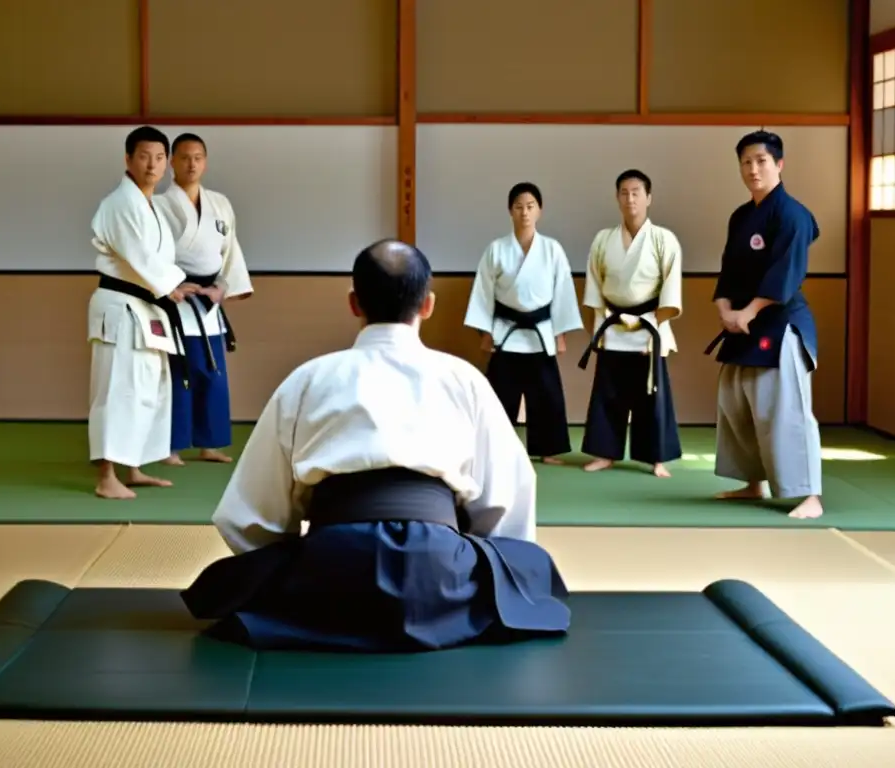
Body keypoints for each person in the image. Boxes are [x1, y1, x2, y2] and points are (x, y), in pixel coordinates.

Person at [181, 239, 571, 652]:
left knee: (237, 582)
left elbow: (251, 518)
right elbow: (507, 498)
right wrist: (485, 561)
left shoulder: (308, 380)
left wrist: (294, 563)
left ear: (354, 303)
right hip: (439, 577)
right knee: (530, 568)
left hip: (331, 575)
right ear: (428, 305)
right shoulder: (465, 380)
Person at [705, 130, 823, 520]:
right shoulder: (741, 216)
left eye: (761, 161)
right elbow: (728, 270)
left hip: (780, 323)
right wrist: (726, 309)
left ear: (779, 164)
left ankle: (810, 496)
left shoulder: (792, 215)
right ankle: (752, 482)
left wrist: (749, 312)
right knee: (737, 403)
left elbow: (785, 276)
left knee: (785, 409)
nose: (753, 169)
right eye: (746, 162)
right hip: (742, 323)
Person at [88, 125, 201, 501]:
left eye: (158, 157)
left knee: (146, 389)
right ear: (127, 159)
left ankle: (132, 467)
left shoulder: (149, 206)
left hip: (145, 307)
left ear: (167, 163)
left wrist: (170, 285)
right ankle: (106, 477)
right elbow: (139, 256)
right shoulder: (120, 204)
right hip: (121, 308)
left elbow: (156, 258)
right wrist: (172, 285)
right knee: (117, 391)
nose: (151, 165)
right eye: (143, 156)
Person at [463, 182, 583, 464]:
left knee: (546, 394)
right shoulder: (496, 249)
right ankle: (495, 448)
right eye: (518, 207)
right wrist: (485, 331)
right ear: (510, 211)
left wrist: (560, 332)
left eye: (530, 207)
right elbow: (483, 292)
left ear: (539, 210)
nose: (524, 213)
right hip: (505, 331)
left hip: (541, 332)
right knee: (500, 393)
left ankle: (548, 449)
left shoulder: (552, 249)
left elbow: (563, 292)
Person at [155, 133, 253, 467]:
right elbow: (153, 255)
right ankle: (172, 445)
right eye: (184, 157)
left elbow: (230, 253)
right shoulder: (159, 204)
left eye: (198, 157)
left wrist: (222, 287)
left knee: (212, 371)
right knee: (179, 374)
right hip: (177, 298)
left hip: (209, 301)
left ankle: (210, 443)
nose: (191, 163)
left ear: (205, 161)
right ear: (172, 162)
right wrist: (174, 284)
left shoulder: (220, 203)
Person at [577, 169, 684, 477]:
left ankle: (656, 458)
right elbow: (595, 287)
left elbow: (671, 291)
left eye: (636, 192)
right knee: (608, 391)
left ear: (648, 198)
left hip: (650, 325)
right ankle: (604, 453)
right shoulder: (603, 239)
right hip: (613, 324)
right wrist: (600, 327)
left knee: (651, 395)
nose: (630, 198)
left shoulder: (664, 239)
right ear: (617, 198)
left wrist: (650, 322)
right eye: (624, 192)